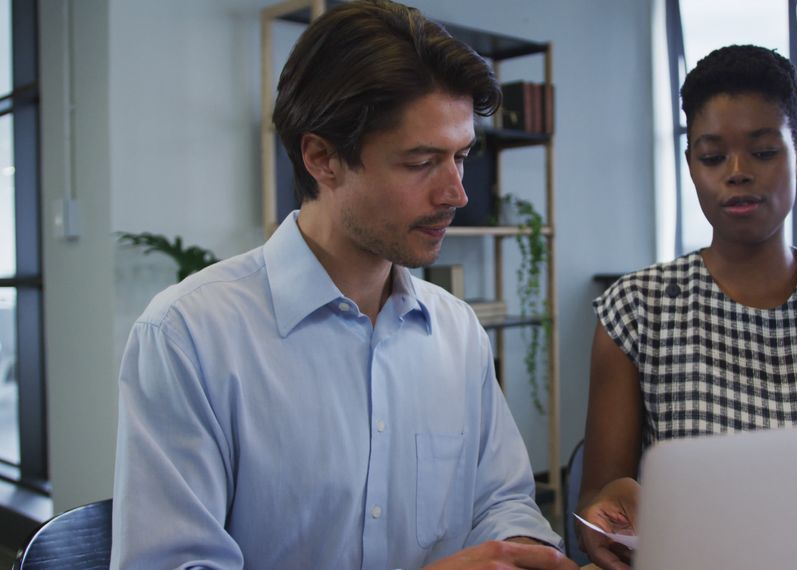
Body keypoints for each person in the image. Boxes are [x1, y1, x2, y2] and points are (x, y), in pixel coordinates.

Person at [111, 2, 576, 569]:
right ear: (322, 158)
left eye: (461, 157)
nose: (457, 194)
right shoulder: (191, 336)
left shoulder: (457, 332)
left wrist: (521, 550)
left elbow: (503, 500)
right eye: (422, 162)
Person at [575, 44, 797, 570]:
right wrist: (607, 515)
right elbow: (595, 505)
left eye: (764, 152)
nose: (738, 172)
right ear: (690, 165)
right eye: (713, 156)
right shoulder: (638, 311)